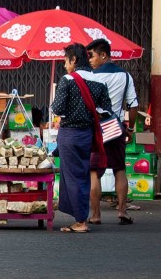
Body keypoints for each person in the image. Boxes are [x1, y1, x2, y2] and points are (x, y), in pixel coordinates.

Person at [51, 43, 112, 233]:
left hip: (69, 134)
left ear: (74, 60)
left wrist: (72, 112)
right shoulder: (99, 81)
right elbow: (106, 110)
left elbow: (58, 108)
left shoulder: (68, 79)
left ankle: (80, 221)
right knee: (83, 174)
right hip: (87, 134)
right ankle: (80, 217)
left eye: (65, 60)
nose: (64, 65)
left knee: (73, 176)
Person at [87, 38, 139, 225]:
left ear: (103, 55)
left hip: (96, 129)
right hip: (116, 128)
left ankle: (96, 215)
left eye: (92, 56)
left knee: (94, 171)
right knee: (119, 169)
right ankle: (122, 211)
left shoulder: (91, 76)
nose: (90, 60)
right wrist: (130, 128)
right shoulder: (125, 76)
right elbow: (133, 105)